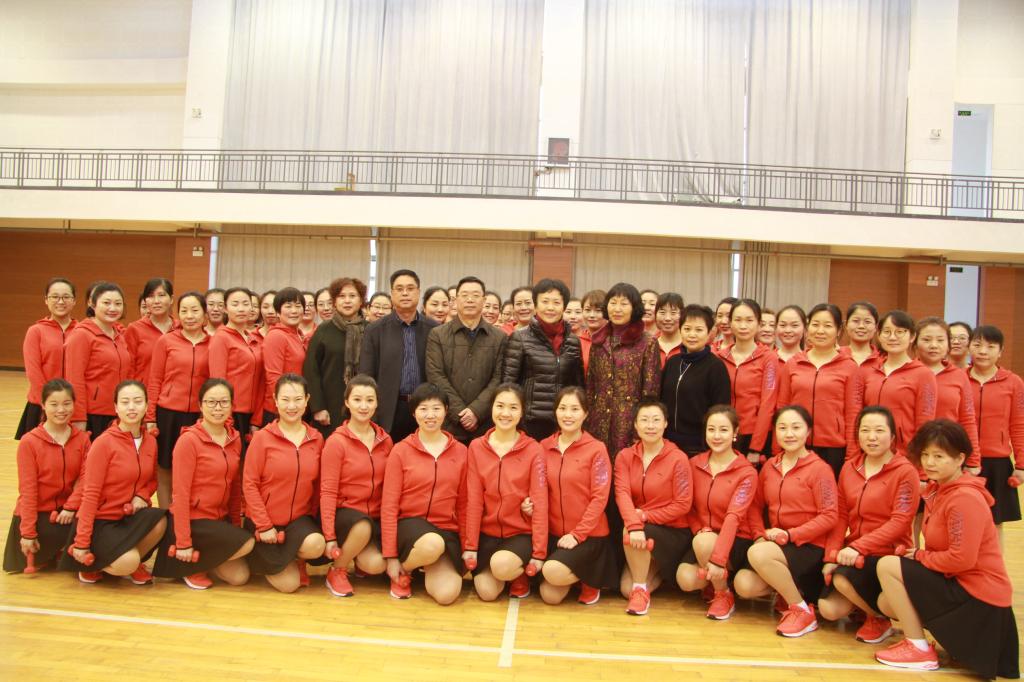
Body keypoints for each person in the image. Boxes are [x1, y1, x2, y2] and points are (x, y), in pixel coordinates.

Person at [873, 420, 1018, 678]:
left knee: (887, 566)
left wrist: (920, 556)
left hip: (980, 597)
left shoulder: (964, 498)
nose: (929, 462)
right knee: (887, 602)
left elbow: (961, 560)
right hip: (959, 583)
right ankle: (948, 640)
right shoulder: (939, 490)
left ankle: (918, 648)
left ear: (960, 458)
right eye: (925, 455)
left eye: (939, 456)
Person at [817, 406, 920, 643]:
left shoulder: (906, 472)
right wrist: (832, 555)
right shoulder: (849, 467)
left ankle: (877, 618)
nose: (871, 437)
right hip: (855, 553)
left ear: (892, 437)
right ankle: (865, 606)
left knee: (843, 579)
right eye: (865, 430)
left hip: (887, 554)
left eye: (879, 431)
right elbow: (841, 516)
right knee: (828, 609)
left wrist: (858, 547)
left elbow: (901, 522)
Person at [734, 405, 838, 638]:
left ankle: (801, 611)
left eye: (796, 428)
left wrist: (791, 535)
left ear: (808, 431)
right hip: (776, 544)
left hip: (809, 545)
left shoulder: (820, 470)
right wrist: (758, 535)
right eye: (782, 428)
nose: (789, 434)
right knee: (744, 584)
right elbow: (755, 506)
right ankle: (788, 590)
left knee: (759, 555)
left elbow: (830, 515)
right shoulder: (770, 466)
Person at [151, 378, 254, 590]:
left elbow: (235, 489)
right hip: (194, 522)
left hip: (218, 521)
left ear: (232, 405)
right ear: (200, 405)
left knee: (240, 577)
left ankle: (203, 561)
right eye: (211, 402)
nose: (218, 408)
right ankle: (189, 564)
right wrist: (183, 542)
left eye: (224, 402)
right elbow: (179, 495)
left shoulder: (234, 439)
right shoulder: (188, 441)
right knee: (248, 542)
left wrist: (234, 528)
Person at [61, 380, 167, 585]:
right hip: (102, 521)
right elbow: (90, 494)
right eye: (125, 402)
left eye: (138, 401)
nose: (132, 407)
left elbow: (152, 481)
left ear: (146, 406)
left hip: (128, 516)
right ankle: (93, 565)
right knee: (127, 562)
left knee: (162, 520)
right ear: (116, 408)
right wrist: (81, 542)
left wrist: (142, 496)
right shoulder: (103, 443)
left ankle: (129, 561)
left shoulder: (151, 442)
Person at [381, 383, 468, 604]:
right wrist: (390, 556)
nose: (430, 415)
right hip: (409, 526)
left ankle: (424, 564)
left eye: (436, 408)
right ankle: (403, 569)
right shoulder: (400, 450)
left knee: (447, 595)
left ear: (446, 411)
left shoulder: (461, 452)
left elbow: (464, 505)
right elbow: (389, 505)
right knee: (432, 544)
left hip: (445, 529)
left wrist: (468, 547)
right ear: (413, 413)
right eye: (423, 409)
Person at [463, 384, 547, 601]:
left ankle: (518, 574)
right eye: (500, 406)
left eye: (513, 407)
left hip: (520, 533)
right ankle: (509, 575)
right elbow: (473, 501)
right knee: (486, 593)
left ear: (522, 412)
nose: (505, 413)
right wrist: (471, 545)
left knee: (501, 566)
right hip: (487, 534)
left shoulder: (534, 449)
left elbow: (540, 503)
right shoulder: (476, 447)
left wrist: (539, 553)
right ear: (491, 408)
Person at [243, 374, 326, 593]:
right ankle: (272, 558)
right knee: (289, 586)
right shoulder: (262, 438)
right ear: (275, 401)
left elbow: (318, 486)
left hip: (297, 522)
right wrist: (264, 525)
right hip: (265, 524)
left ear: (307, 401)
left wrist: (313, 518)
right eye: (285, 399)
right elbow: (249, 484)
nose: (292, 406)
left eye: (298, 399)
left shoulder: (316, 438)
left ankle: (295, 559)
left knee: (316, 544)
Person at [676, 405, 759, 620]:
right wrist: (698, 529)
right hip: (704, 537)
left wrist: (719, 559)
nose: (716, 436)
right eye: (711, 429)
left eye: (723, 430)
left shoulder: (747, 472)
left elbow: (734, 517)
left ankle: (723, 593)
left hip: (736, 540)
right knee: (686, 579)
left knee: (705, 543)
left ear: (735, 433)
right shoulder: (693, 464)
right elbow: (688, 506)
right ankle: (716, 582)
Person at [538, 387, 618, 605]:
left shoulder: (596, 449)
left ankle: (590, 578)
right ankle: (575, 574)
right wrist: (529, 503)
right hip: (555, 535)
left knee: (552, 571)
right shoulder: (544, 447)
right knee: (549, 596)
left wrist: (577, 534)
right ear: (555, 411)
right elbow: (539, 489)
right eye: (562, 408)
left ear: (585, 414)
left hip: (588, 536)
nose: (568, 414)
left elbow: (600, 498)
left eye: (575, 409)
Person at [614, 399, 693, 616]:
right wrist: (635, 522)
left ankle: (641, 590)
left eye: (656, 420)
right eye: (645, 420)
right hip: (640, 530)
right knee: (625, 589)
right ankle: (655, 572)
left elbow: (683, 504)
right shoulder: (624, 457)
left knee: (629, 529)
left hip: (672, 531)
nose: (650, 426)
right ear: (635, 425)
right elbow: (622, 494)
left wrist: (644, 516)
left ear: (665, 424)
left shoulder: (678, 459)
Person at [4, 379, 88, 573]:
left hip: (67, 514)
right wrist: (28, 532)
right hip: (37, 516)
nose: (61, 410)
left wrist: (71, 506)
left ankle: (60, 550)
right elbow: (28, 490)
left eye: (67, 404)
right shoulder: (29, 442)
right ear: (43, 405)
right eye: (54, 404)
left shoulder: (83, 440)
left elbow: (86, 479)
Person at [320, 375, 392, 597]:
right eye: (357, 399)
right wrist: (329, 536)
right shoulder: (336, 442)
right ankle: (337, 569)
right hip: (346, 516)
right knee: (362, 526)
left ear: (377, 403)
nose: (364, 406)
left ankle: (358, 559)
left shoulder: (385, 440)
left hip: (374, 517)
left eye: (370, 400)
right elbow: (327, 491)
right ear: (347, 402)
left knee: (377, 565)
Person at [776, 303, 861, 477]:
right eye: (815, 325)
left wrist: (852, 455)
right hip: (796, 443)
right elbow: (782, 407)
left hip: (834, 448)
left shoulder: (850, 367)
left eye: (828, 326)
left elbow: (853, 413)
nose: (820, 331)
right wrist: (777, 448)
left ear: (838, 331)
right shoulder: (793, 364)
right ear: (808, 328)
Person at [145, 292, 211, 507]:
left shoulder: (213, 343)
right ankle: (166, 515)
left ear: (205, 314)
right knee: (165, 467)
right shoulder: (166, 341)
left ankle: (187, 514)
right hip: (168, 412)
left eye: (195, 310)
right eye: (184, 311)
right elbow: (155, 380)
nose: (189, 316)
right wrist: (150, 417)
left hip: (199, 415)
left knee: (193, 468)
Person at [359, 269, 438, 443]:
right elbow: (366, 374)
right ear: (392, 293)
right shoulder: (375, 330)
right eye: (399, 289)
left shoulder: (434, 329)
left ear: (418, 292)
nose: (405, 293)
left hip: (425, 407)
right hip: (389, 409)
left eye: (410, 288)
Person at [425, 276, 507, 443]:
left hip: (485, 423)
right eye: (464, 295)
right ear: (455, 300)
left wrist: (476, 411)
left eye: (475, 295)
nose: (470, 300)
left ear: (484, 300)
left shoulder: (499, 337)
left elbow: (499, 378)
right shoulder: (438, 335)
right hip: (448, 423)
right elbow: (435, 376)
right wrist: (460, 413)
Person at [501, 278, 584, 441]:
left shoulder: (573, 341)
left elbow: (578, 386)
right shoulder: (520, 338)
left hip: (563, 421)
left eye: (556, 302)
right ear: (536, 305)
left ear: (564, 306)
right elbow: (508, 384)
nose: (550, 307)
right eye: (545, 301)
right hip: (529, 422)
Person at [586, 282, 660, 457]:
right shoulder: (599, 341)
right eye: (613, 303)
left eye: (624, 304)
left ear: (634, 308)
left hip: (629, 421)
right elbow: (590, 386)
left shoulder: (647, 342)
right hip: (598, 420)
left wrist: (641, 426)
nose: (617, 309)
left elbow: (650, 391)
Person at [967, 325, 1024, 541]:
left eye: (991, 347)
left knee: (994, 523)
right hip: (962, 462)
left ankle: (994, 564)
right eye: (978, 345)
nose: (983, 351)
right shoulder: (959, 378)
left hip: (997, 463)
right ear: (970, 347)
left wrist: (1021, 465)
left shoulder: (1014, 382)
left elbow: (1018, 424)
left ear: (1000, 351)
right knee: (963, 519)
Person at [859, 311, 937, 453]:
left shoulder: (923, 374)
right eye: (887, 332)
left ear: (912, 336)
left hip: (904, 453)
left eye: (900, 332)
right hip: (869, 450)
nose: (892, 337)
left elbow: (925, 423)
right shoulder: (869, 370)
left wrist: (917, 455)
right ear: (879, 335)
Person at [661, 305, 731, 456]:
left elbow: (720, 410)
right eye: (687, 329)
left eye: (699, 330)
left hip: (699, 445)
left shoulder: (716, 367)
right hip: (667, 441)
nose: (692, 334)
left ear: (709, 333)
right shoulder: (673, 362)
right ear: (680, 330)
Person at [65, 282, 132, 436]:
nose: (113, 308)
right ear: (93, 304)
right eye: (106, 303)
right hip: (92, 415)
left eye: (118, 303)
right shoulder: (81, 335)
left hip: (118, 413)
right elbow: (74, 379)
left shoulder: (119, 336)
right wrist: (78, 417)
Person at [303, 277, 368, 437]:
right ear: (334, 301)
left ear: (361, 301)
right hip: (330, 407)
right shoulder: (324, 330)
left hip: (364, 407)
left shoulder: (371, 330)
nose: (347, 301)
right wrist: (318, 407)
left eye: (352, 296)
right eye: (341, 296)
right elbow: (311, 370)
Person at [716, 299, 778, 460]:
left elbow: (768, 404)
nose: (743, 326)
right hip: (723, 432)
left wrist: (756, 448)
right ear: (730, 323)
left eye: (749, 320)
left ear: (758, 324)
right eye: (738, 320)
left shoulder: (769, 358)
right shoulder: (719, 357)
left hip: (754, 435)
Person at [17, 277, 77, 440]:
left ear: (74, 301)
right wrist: (48, 403)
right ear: (46, 300)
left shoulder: (82, 331)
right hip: (41, 404)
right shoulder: (36, 331)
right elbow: (33, 372)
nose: (60, 301)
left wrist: (72, 402)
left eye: (66, 297)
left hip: (72, 405)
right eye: (55, 297)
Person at [915, 317, 980, 461]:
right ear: (915, 342)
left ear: (948, 344)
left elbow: (968, 419)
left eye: (940, 340)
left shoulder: (959, 376)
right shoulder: (907, 372)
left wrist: (973, 460)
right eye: (926, 340)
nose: (934, 345)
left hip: (948, 453)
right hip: (912, 453)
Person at [208, 288, 264, 443]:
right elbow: (217, 382)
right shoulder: (221, 338)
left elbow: (261, 380)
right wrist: (226, 418)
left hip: (252, 414)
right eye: (235, 304)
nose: (241, 309)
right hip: (231, 413)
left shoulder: (253, 338)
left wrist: (257, 418)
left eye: (245, 304)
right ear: (225, 308)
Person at [261, 288, 307, 424]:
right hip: (281, 409)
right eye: (288, 306)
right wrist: (285, 405)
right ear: (278, 312)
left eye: (298, 306)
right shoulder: (276, 336)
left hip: (297, 406)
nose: (294, 311)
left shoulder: (299, 335)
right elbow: (273, 378)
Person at [125, 278, 175, 384]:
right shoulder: (135, 329)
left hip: (173, 392)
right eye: (151, 296)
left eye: (161, 295)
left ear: (171, 299)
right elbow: (129, 368)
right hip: (143, 391)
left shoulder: (180, 328)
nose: (156, 301)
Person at [578, 289, 607, 374]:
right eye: (587, 310)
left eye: (598, 311)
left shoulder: (614, 341)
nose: (592, 315)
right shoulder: (576, 342)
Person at [842, 301, 880, 366]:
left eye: (867, 322)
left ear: (876, 327)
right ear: (846, 325)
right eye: (856, 321)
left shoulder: (884, 359)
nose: (861, 326)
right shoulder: (835, 355)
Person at [653, 292, 684, 368]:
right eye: (662, 312)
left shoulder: (689, 346)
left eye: (673, 313)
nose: (667, 318)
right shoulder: (649, 345)